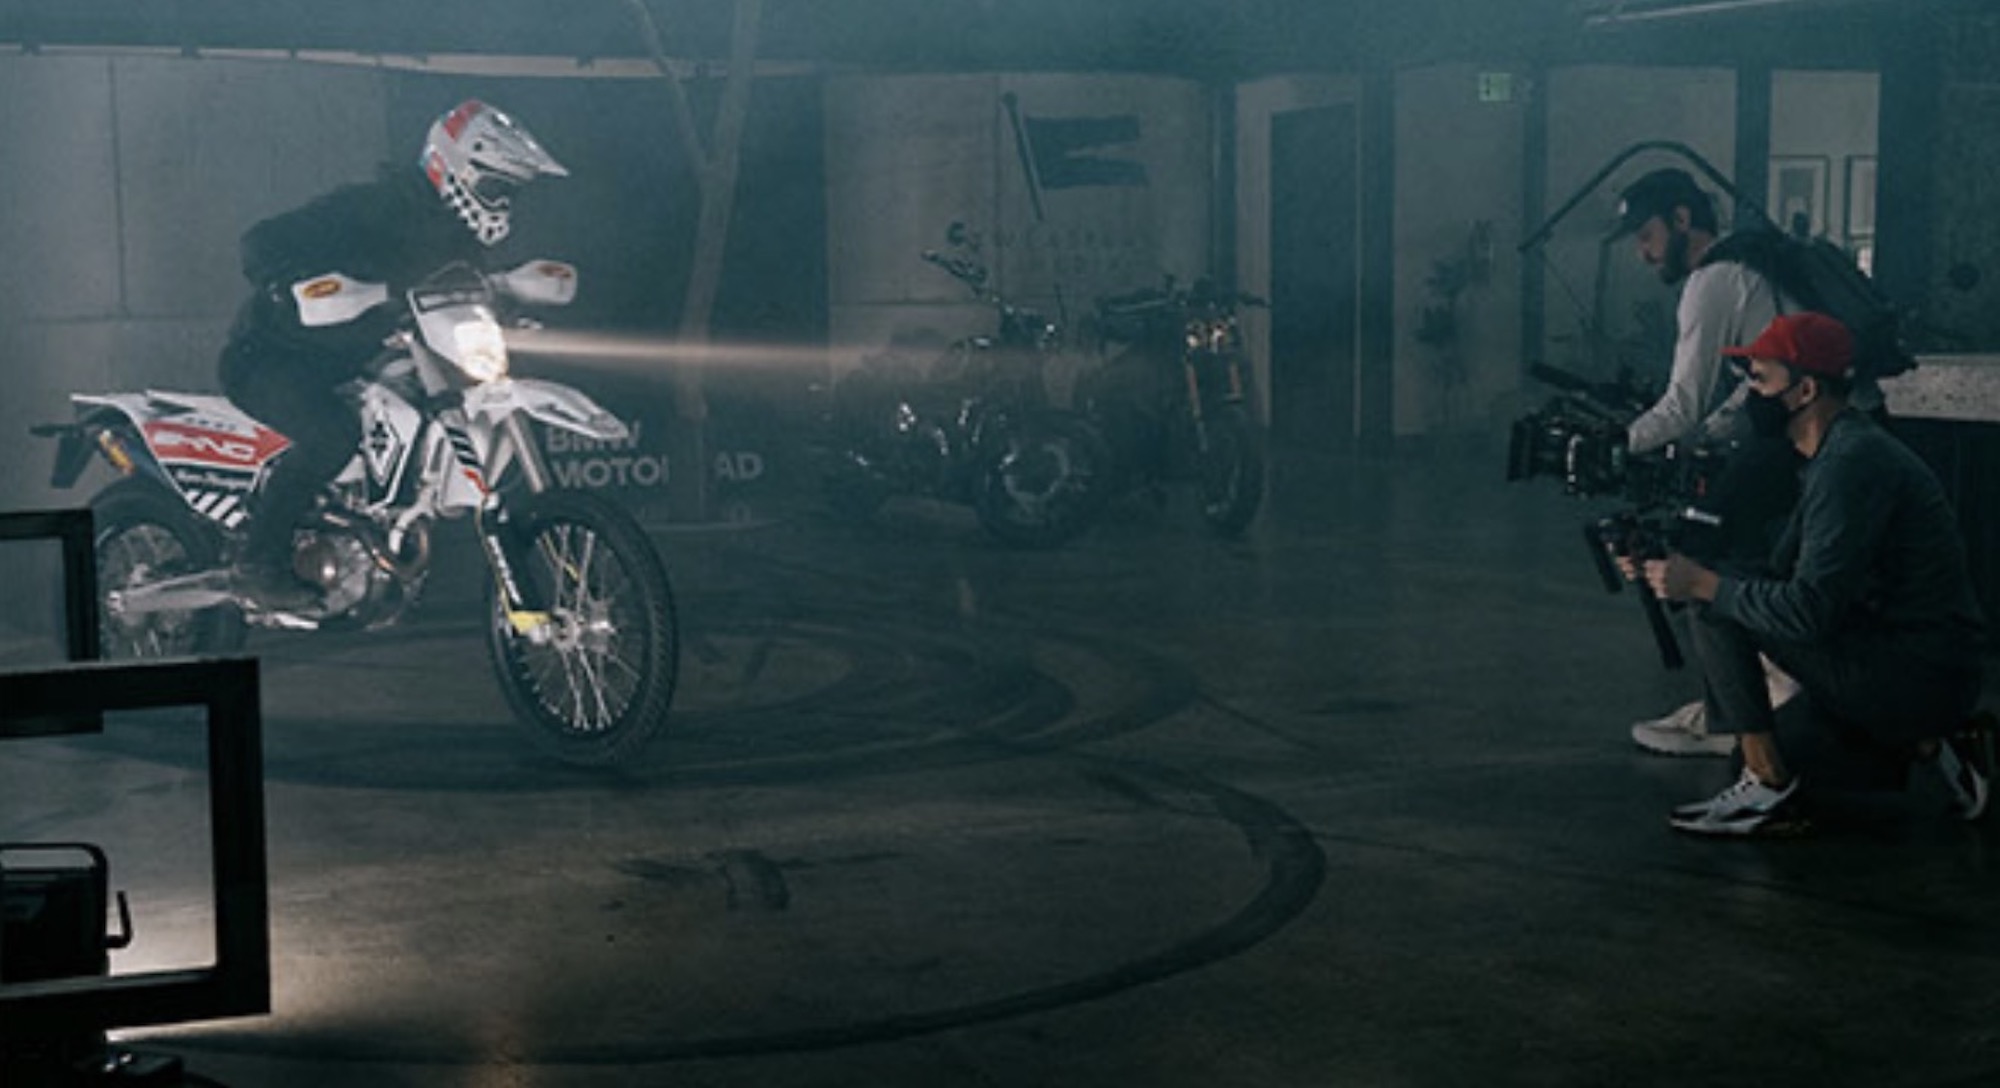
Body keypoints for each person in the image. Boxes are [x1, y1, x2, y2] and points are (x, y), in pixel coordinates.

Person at [1634, 312, 1988, 836]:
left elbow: (1807, 612)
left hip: (1919, 671)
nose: (1749, 397)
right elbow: (1776, 577)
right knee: (1728, 601)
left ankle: (1769, 785)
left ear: (1804, 390)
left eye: (1760, 380)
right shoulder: (1834, 451)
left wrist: (1702, 585)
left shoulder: (1849, 465)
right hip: (1911, 657)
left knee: (1716, 605)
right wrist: (1671, 568)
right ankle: (1932, 742)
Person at [220, 99, 567, 608]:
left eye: (510, 193)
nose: (502, 204)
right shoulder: (367, 208)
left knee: (429, 407)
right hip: (274, 357)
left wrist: (507, 301)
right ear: (452, 169)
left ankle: (380, 529)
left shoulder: (457, 235)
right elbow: (260, 242)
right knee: (331, 435)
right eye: (496, 189)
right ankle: (258, 563)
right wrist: (287, 285)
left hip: (359, 360)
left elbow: (461, 291)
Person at [1613, 167, 1859, 758]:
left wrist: (1615, 443)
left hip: (1812, 435)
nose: (1644, 254)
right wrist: (1708, 436)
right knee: (1729, 543)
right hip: (1831, 429)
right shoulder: (1752, 262)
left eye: (1647, 236)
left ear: (1681, 219)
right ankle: (1748, 699)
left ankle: (1737, 716)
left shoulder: (1714, 279)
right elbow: (1750, 390)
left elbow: (1684, 404)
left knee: (1698, 550)